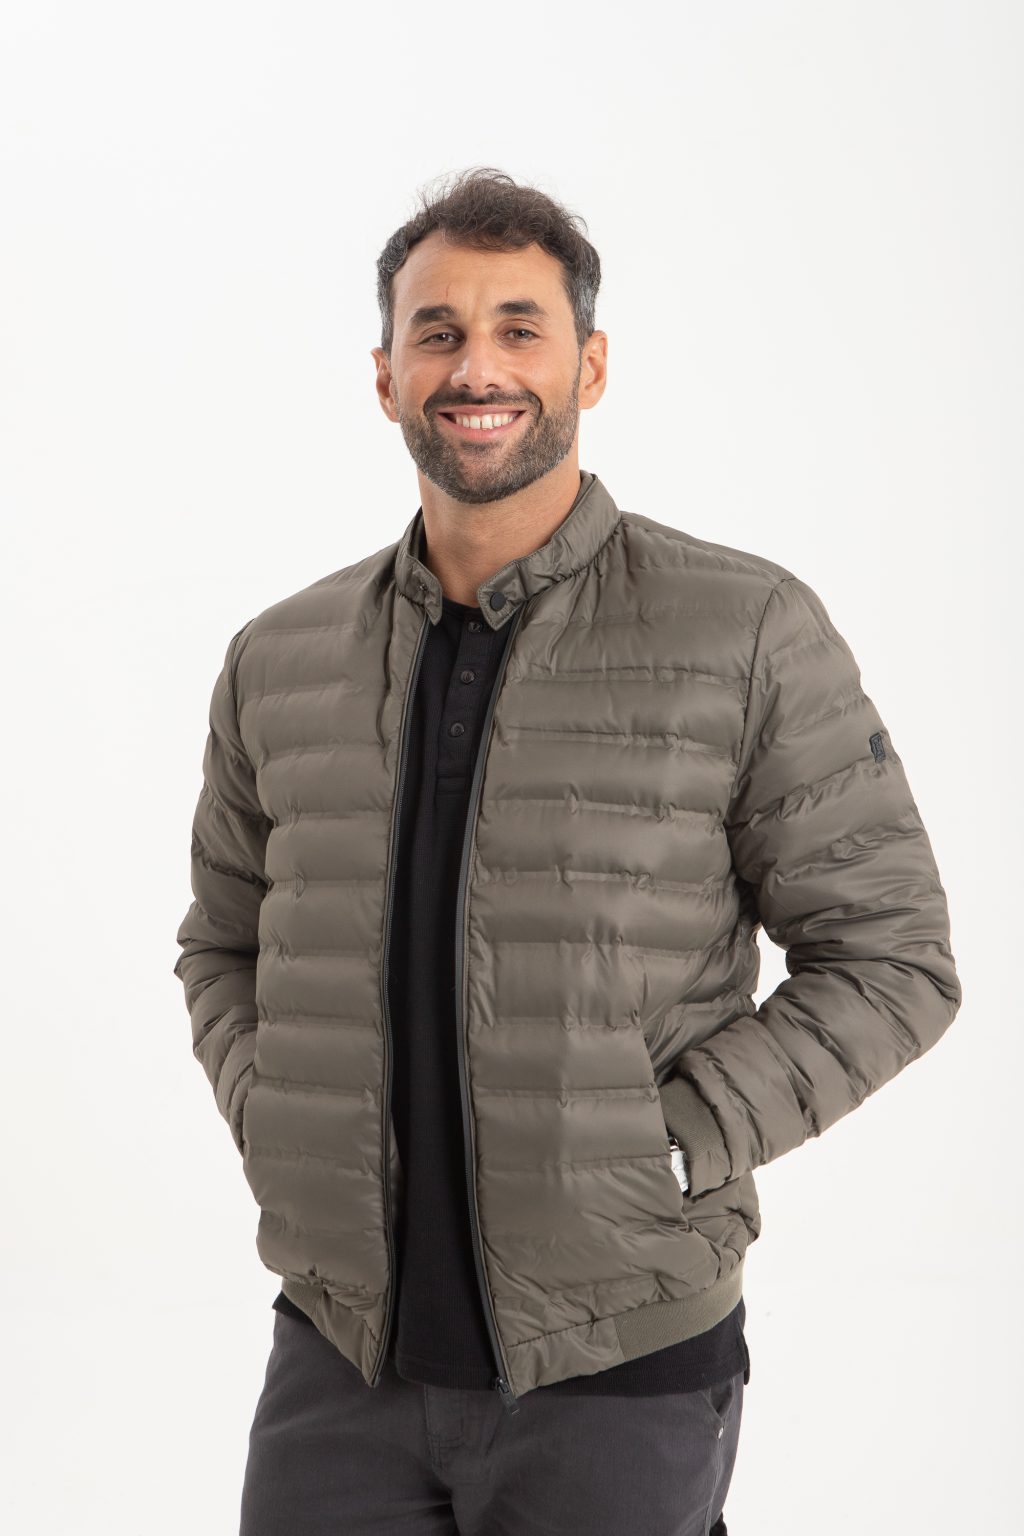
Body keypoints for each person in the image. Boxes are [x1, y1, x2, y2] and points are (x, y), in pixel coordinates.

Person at [173, 167, 962, 1536]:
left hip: (621, 1367)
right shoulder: (279, 658)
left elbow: (894, 961)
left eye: (519, 328)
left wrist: (674, 1144)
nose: (477, 368)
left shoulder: (742, 630)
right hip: (338, 1361)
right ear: (386, 376)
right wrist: (275, 1116)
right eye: (437, 332)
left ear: (589, 365)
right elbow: (222, 944)